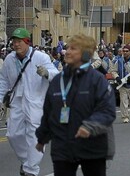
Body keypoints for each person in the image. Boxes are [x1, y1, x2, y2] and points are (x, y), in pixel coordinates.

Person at [35, 34, 116, 176]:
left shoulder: (97, 81)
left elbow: (107, 111)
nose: (67, 52)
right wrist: (42, 139)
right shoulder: (57, 81)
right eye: (67, 48)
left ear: (85, 54)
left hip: (92, 147)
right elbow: (48, 112)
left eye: (73, 49)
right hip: (62, 148)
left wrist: (89, 127)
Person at [0, 28, 59, 176]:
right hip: (17, 102)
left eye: (19, 41)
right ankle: (26, 161)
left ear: (27, 42)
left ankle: (30, 169)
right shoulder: (9, 59)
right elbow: (4, 81)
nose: (16, 44)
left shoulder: (41, 57)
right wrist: (1, 100)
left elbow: (56, 76)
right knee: (13, 134)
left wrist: (46, 73)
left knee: (35, 135)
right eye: (14, 41)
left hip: (36, 102)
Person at [109, 45, 130, 123]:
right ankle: (125, 117)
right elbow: (113, 71)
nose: (125, 52)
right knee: (123, 101)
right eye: (124, 51)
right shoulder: (119, 61)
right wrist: (117, 77)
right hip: (122, 84)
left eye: (127, 51)